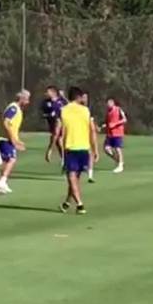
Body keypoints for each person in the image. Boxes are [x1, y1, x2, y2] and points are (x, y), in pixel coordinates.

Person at [58, 86, 98, 214]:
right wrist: (95, 148)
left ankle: (80, 204)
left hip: (71, 147)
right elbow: (92, 130)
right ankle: (67, 203)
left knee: (71, 177)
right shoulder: (86, 111)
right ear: (79, 97)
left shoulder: (63, 110)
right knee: (75, 178)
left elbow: (60, 130)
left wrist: (56, 145)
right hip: (84, 148)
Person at [0, 90, 30, 194]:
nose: (28, 102)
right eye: (27, 99)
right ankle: (1, 182)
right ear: (21, 99)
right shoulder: (13, 108)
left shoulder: (17, 109)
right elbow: (6, 123)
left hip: (8, 139)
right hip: (5, 139)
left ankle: (2, 183)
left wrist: (17, 140)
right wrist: (13, 139)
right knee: (12, 159)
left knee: (8, 160)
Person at [41, 85, 67, 163]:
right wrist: (49, 115)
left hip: (62, 122)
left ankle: (50, 149)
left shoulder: (62, 100)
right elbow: (43, 114)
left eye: (48, 92)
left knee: (57, 131)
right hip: (52, 123)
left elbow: (70, 106)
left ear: (53, 92)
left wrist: (64, 97)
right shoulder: (46, 102)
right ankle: (64, 158)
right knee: (58, 141)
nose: (46, 93)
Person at [103, 97, 127, 173]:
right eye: (107, 104)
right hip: (110, 133)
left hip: (117, 132)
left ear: (113, 103)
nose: (108, 105)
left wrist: (115, 124)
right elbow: (108, 123)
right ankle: (118, 160)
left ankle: (120, 165)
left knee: (117, 148)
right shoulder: (108, 112)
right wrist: (105, 126)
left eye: (109, 103)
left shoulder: (118, 109)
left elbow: (124, 119)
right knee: (106, 149)